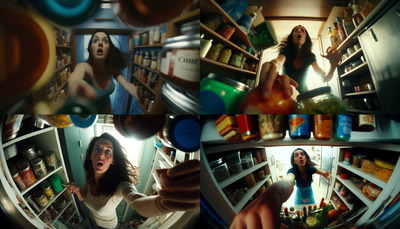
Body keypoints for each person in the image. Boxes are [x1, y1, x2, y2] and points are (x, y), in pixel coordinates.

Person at [67, 133, 199, 229]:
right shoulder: (90, 177)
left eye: (108, 152)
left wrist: (161, 205)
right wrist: (78, 191)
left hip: (108, 226)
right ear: (90, 156)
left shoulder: (120, 185)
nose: (101, 154)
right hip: (92, 220)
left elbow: (136, 200)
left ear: (113, 160)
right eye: (97, 149)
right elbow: (83, 197)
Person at [230, 148, 330, 229]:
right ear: (294, 161)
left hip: (309, 193)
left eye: (302, 154)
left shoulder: (311, 169)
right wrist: (274, 191)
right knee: (299, 211)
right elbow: (288, 181)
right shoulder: (292, 171)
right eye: (296, 155)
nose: (300, 156)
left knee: (310, 211)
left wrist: (325, 174)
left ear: (306, 158)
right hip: (299, 195)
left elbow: (321, 171)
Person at [259, 25, 342, 100]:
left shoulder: (310, 56)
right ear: (292, 37)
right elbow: (279, 61)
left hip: (305, 96)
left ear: (306, 38)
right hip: (286, 94)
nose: (299, 31)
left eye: (302, 30)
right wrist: (273, 64)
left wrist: (332, 65)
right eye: (296, 30)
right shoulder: (285, 52)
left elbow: (325, 78)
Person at [68, 29, 138, 113]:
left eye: (105, 41)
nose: (100, 43)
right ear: (90, 49)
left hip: (108, 109)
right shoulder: (84, 67)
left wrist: (137, 94)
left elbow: (127, 85)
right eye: (95, 40)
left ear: (108, 50)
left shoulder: (110, 68)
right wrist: (75, 86)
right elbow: (76, 76)